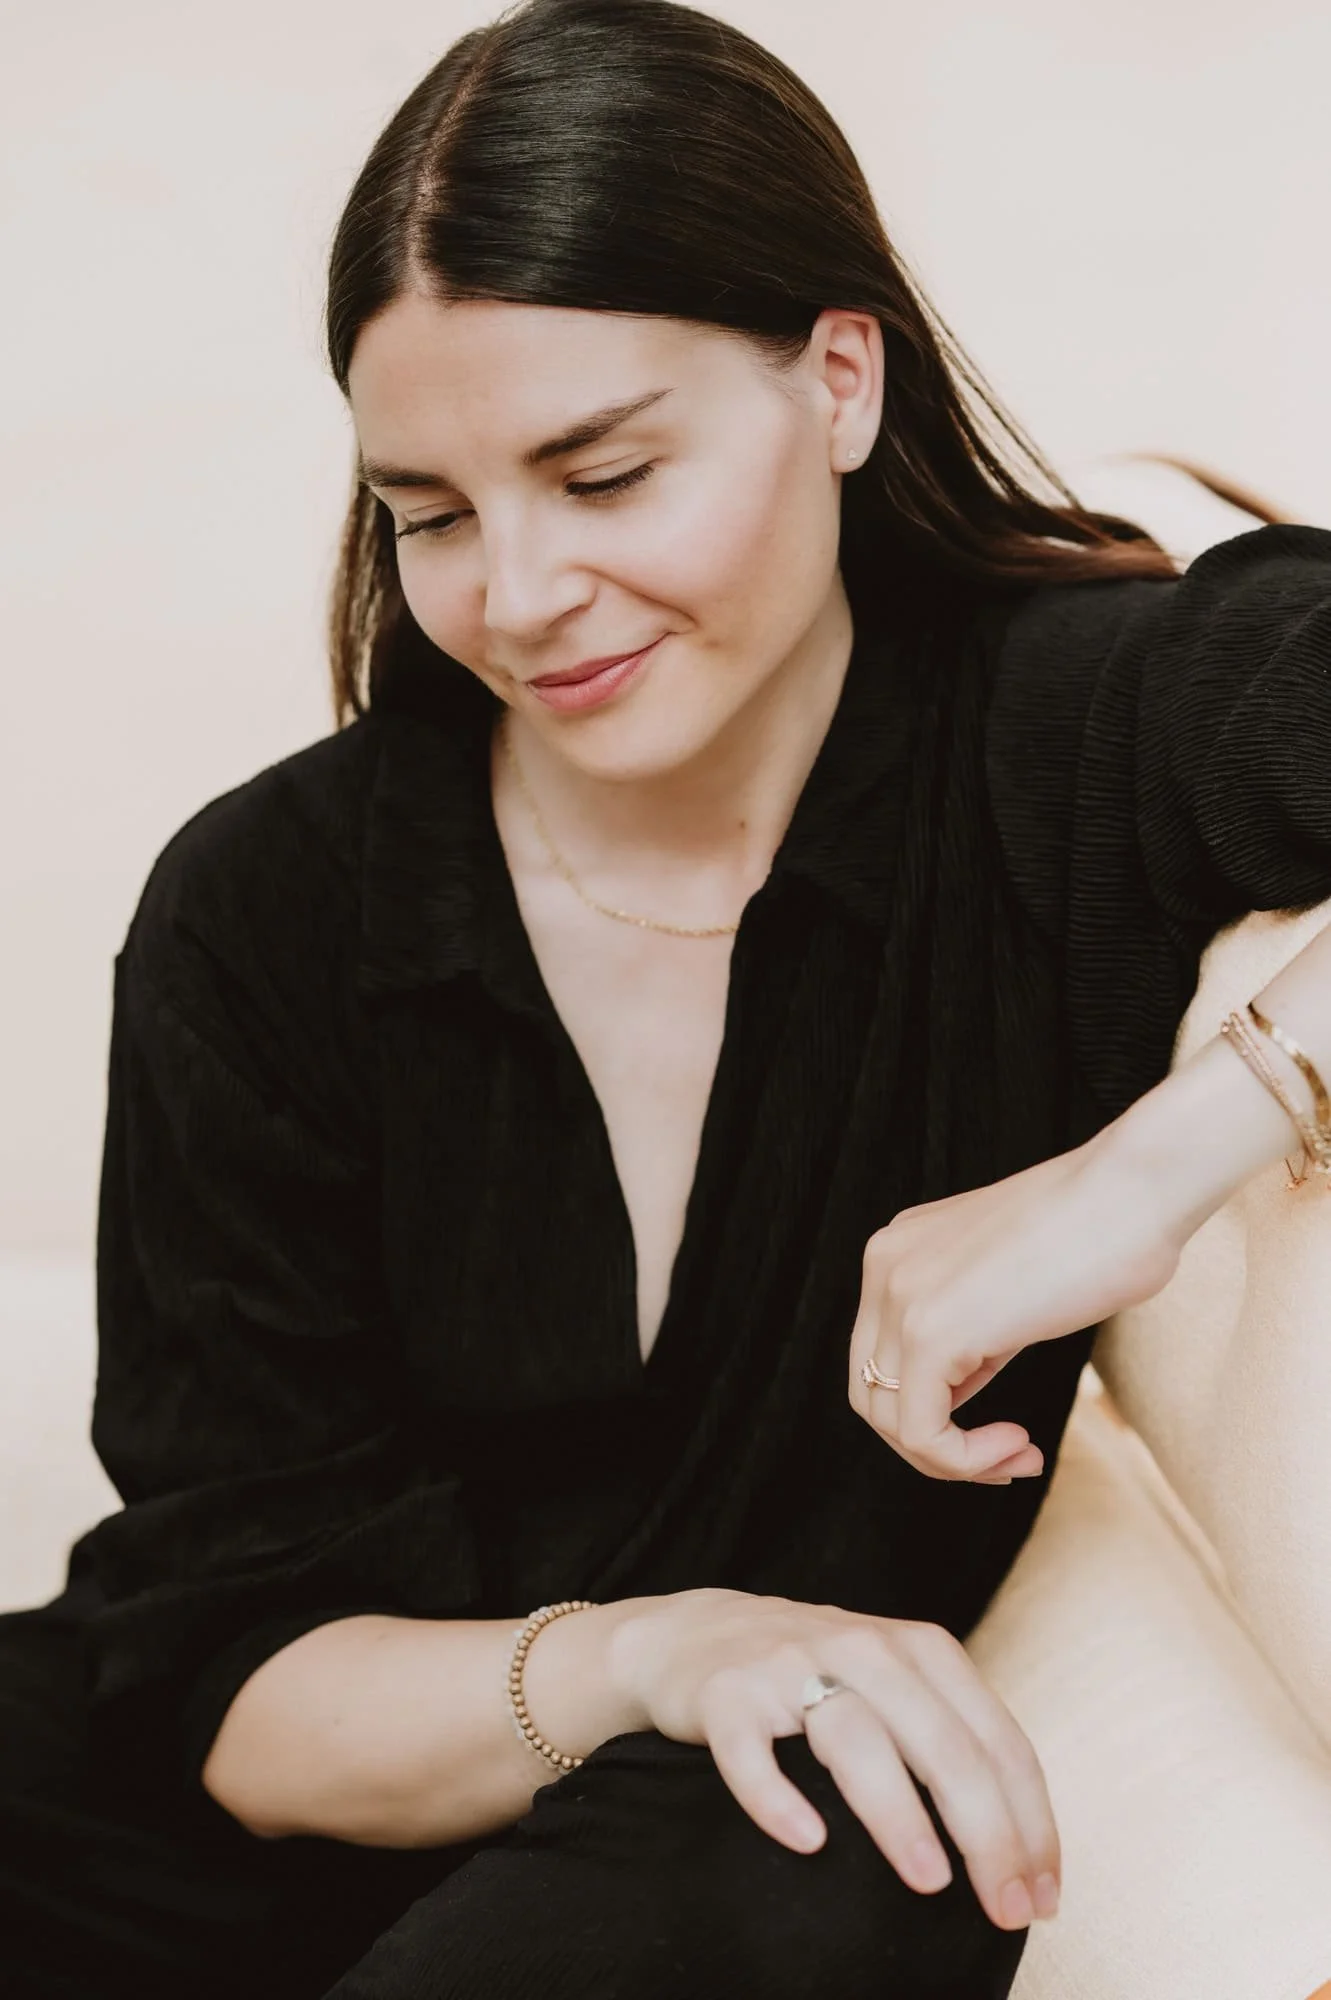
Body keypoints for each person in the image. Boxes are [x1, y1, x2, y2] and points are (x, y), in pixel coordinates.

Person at [3, 0, 1331, 1994]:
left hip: (740, 1849)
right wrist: (650, 1649)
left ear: (838, 381)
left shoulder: (1070, 734)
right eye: (430, 516)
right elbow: (231, 1680)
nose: (513, 593)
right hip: (266, 1813)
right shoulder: (263, 909)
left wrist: (1146, 1172)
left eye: (602, 474)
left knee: (811, 1859)